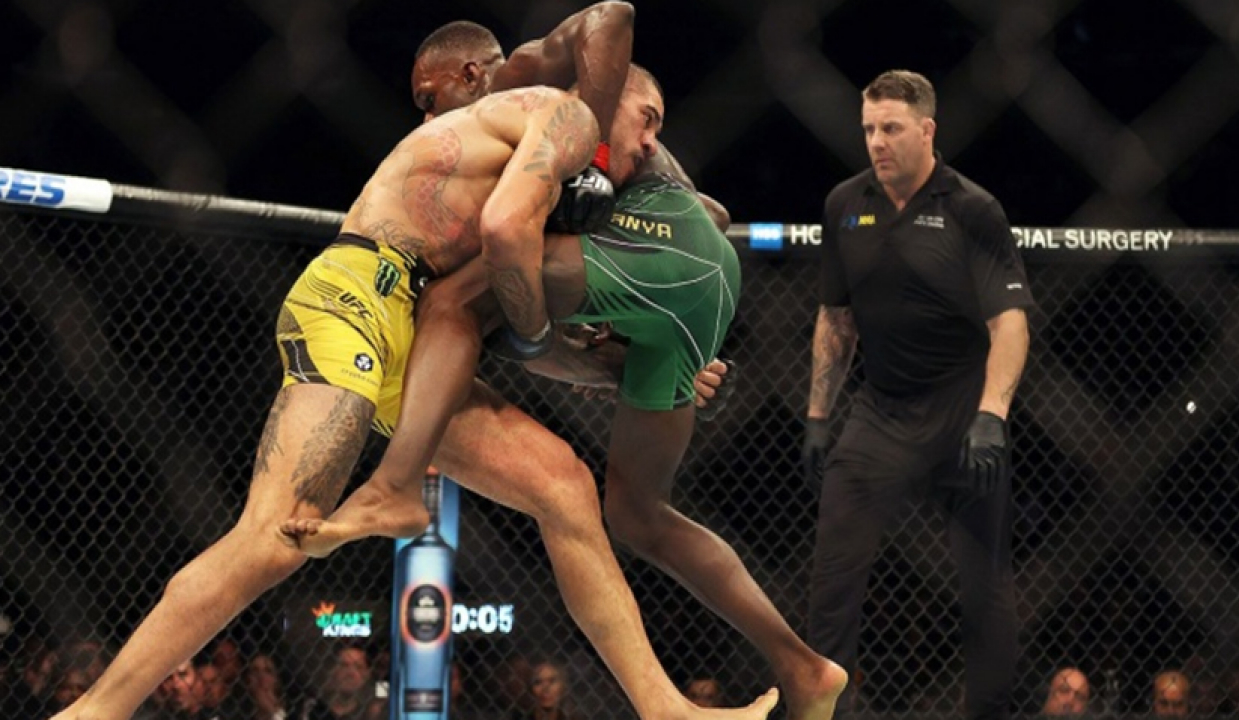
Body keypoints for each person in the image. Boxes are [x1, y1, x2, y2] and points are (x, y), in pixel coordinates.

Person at [51, 69, 774, 720]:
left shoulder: (560, 172)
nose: (651, 143)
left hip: (420, 337)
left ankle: (663, 708)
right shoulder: (549, 123)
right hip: (358, 297)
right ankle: (94, 712)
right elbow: (531, 297)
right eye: (646, 119)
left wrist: (633, 366)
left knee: (565, 486)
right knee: (274, 538)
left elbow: (679, 228)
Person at [291, 18, 845, 720]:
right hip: (680, 293)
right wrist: (622, 352)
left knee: (456, 300)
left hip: (673, 258)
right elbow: (704, 219)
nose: (429, 125)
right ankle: (805, 668)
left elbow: (614, 21)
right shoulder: (508, 163)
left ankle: (396, 484)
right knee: (636, 513)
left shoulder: (539, 91)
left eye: (431, 101)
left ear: (470, 77)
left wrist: (601, 164)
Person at [802, 69, 1034, 720]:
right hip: (881, 410)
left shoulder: (972, 209)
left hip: (962, 412)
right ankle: (824, 711)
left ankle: (989, 714)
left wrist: (992, 415)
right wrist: (817, 416)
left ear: (927, 130)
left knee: (984, 583)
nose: (877, 141)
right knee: (832, 573)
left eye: (891, 128)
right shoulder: (844, 204)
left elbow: (1009, 322)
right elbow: (836, 319)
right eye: (869, 129)